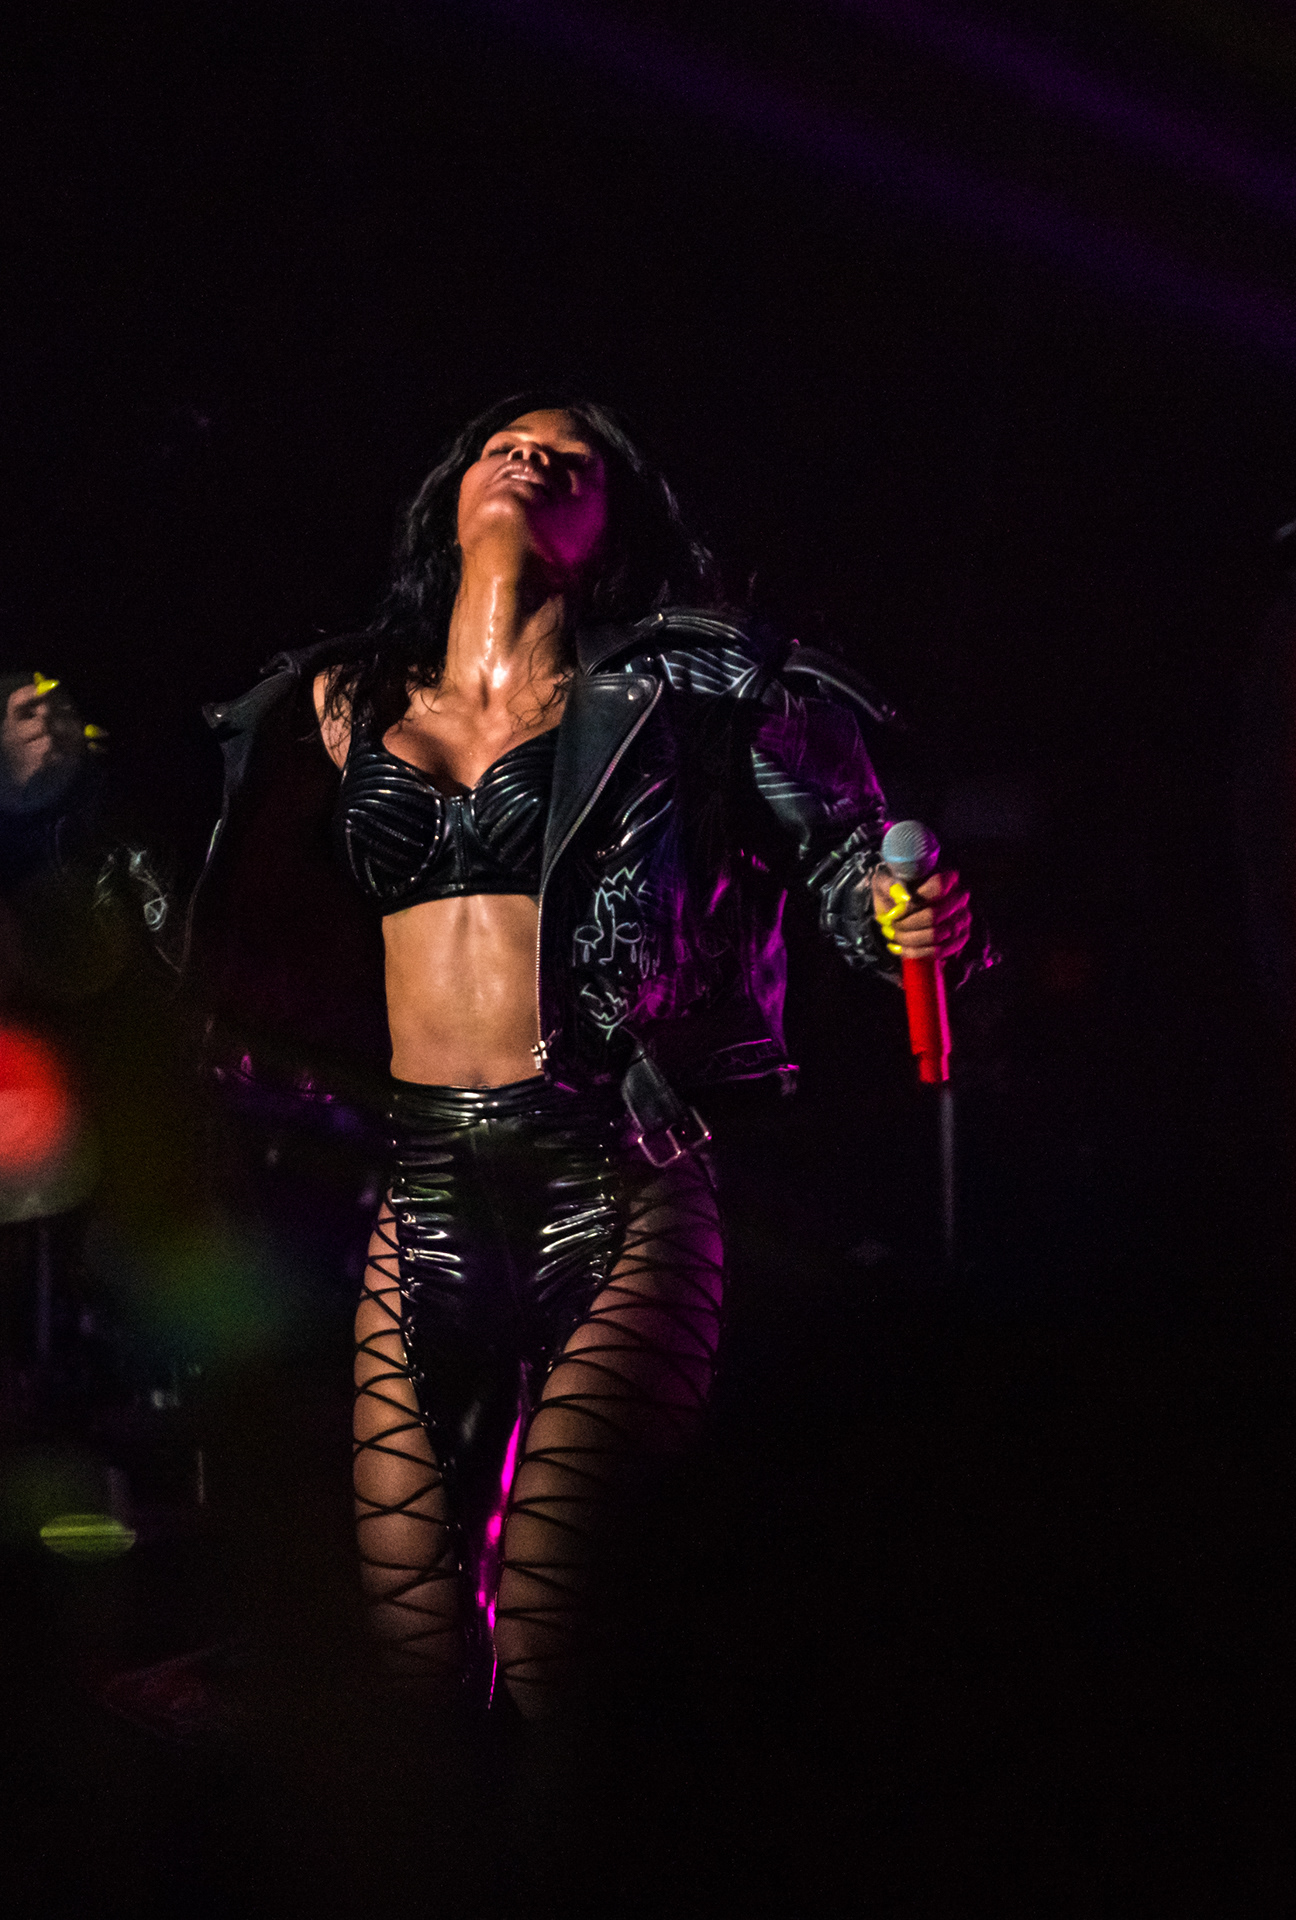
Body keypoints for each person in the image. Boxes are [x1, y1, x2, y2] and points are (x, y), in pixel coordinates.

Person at [162, 393, 974, 1725]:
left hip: (619, 1173)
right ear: (453, 493)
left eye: (571, 460)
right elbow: (239, 916)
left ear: (614, 523)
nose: (532, 461)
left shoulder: (688, 689)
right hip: (423, 1187)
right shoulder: (340, 702)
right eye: (506, 446)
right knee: (413, 1657)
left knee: (555, 1626)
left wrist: (893, 914)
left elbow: (842, 857)